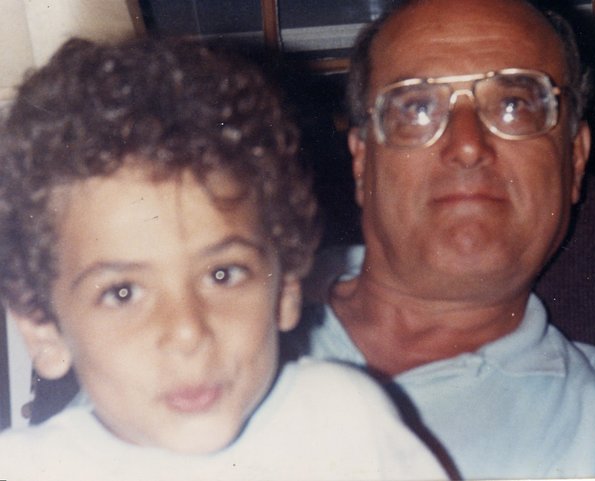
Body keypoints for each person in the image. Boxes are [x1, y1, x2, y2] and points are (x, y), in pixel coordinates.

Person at [0, 37, 447, 480]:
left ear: (285, 288)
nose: (188, 332)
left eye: (222, 274)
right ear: (43, 330)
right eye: (122, 293)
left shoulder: (343, 422)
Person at [287, 0, 595, 478]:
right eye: (417, 107)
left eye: (514, 105)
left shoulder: (592, 430)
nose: (468, 144)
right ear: (362, 162)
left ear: (575, 160)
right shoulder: (211, 312)